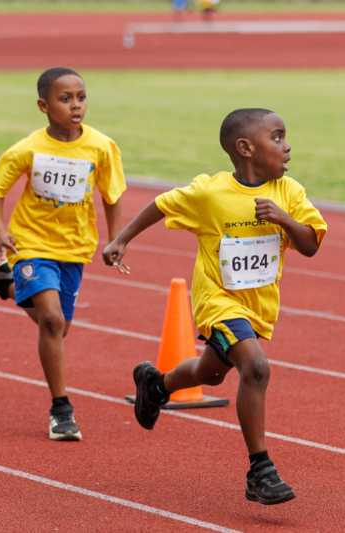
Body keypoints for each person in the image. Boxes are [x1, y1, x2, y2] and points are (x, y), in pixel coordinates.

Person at [102, 108, 327, 505]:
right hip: (217, 301)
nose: (287, 146)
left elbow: (310, 244)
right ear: (246, 148)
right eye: (277, 137)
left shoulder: (289, 192)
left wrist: (284, 220)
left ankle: (156, 385)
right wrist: (122, 239)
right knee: (256, 368)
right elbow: (163, 204)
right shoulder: (210, 193)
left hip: (258, 306)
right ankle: (260, 470)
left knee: (211, 373)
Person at [0, 67, 127, 441]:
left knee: (59, 328)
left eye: (81, 98)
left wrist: (116, 240)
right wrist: (0, 232)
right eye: (65, 99)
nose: (76, 106)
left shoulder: (101, 147)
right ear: (44, 106)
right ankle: (61, 410)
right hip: (30, 243)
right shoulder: (28, 149)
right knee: (53, 322)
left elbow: (112, 195)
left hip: (74, 247)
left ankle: (6, 285)